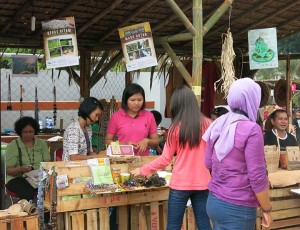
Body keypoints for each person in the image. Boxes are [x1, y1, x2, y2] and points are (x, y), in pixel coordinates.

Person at [131, 85, 212, 230]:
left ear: (176, 105)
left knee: (173, 226)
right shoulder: (208, 124)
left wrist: (143, 169)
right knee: (204, 225)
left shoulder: (175, 128)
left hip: (180, 184)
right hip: (203, 183)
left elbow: (165, 159)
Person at [203, 78, 272, 230]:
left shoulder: (218, 123)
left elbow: (208, 162)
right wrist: (267, 209)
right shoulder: (252, 129)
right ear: (253, 100)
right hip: (238, 207)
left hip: (214, 201)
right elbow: (257, 176)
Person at [105, 83, 159, 156]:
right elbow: (107, 141)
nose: (136, 103)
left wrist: (147, 141)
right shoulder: (116, 116)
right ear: (126, 100)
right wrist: (124, 145)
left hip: (143, 159)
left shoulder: (149, 116)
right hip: (122, 159)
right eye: (132, 100)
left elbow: (156, 142)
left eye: (140, 100)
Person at [5, 116, 50, 201]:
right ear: (20, 132)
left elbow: (47, 163)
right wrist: (21, 169)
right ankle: (30, 212)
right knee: (27, 193)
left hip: (38, 177)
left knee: (50, 189)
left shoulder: (42, 143)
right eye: (25, 132)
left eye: (31, 131)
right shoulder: (13, 145)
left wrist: (43, 172)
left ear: (35, 131)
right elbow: (9, 170)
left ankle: (45, 213)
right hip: (18, 178)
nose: (29, 134)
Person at [63, 97, 106, 161]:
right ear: (88, 111)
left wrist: (101, 154)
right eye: (96, 115)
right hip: (71, 168)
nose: (97, 119)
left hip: (83, 166)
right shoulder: (73, 129)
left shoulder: (88, 129)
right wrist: (97, 156)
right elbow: (73, 158)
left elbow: (89, 153)